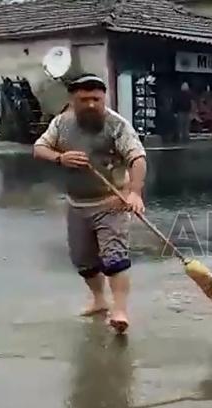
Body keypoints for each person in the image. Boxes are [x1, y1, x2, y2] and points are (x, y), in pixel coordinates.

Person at [33, 73, 147, 334]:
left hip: (111, 202)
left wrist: (135, 192)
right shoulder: (61, 123)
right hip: (77, 203)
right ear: (73, 100)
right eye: (84, 100)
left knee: (114, 257)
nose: (92, 105)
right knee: (83, 261)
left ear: (104, 98)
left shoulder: (116, 125)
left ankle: (120, 310)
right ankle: (98, 300)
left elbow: (137, 158)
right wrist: (60, 158)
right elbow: (39, 148)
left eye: (96, 99)